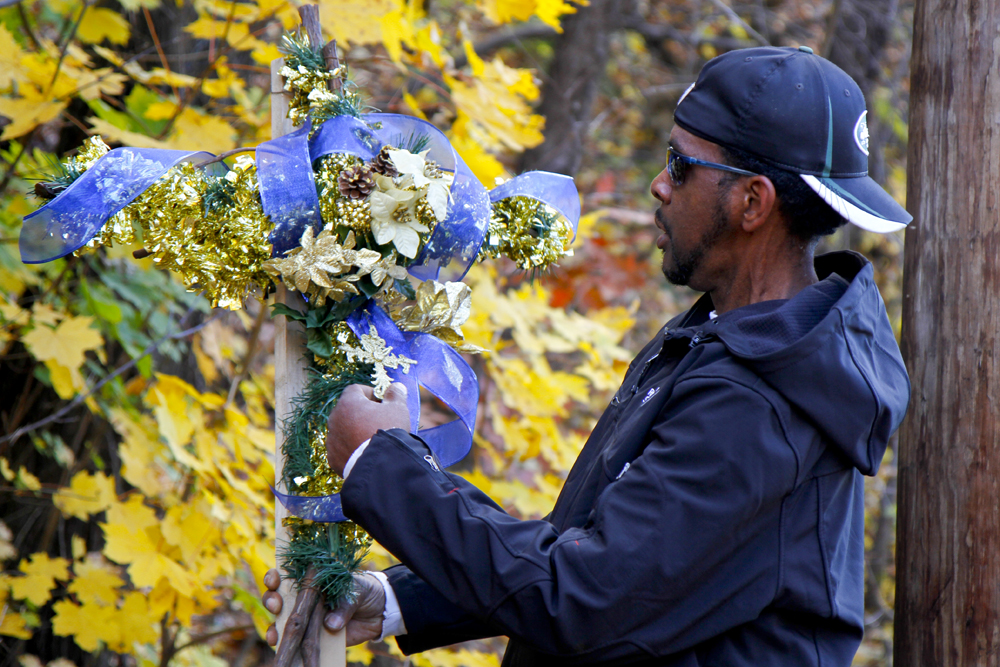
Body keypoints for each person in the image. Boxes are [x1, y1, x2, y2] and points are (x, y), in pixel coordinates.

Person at [263, 45, 911, 666]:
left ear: (752, 202)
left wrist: (380, 465)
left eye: (681, 165)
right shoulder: (724, 341)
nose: (660, 185)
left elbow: (585, 598)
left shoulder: (760, 403)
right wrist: (402, 601)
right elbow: (605, 551)